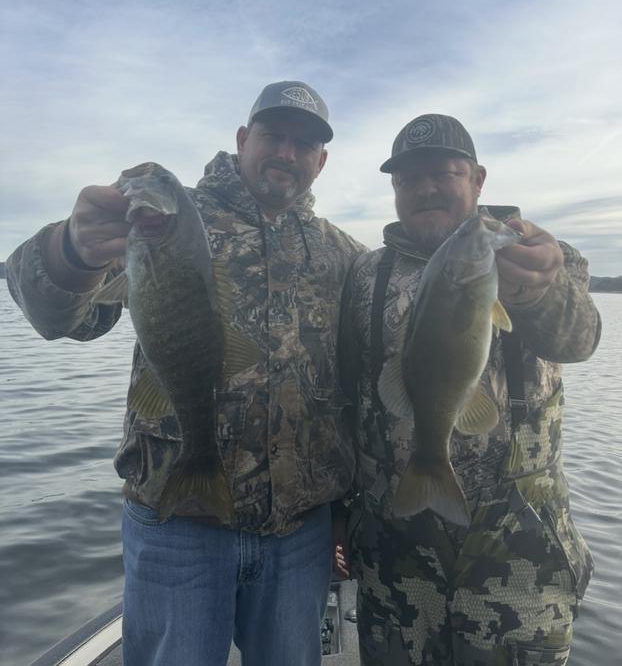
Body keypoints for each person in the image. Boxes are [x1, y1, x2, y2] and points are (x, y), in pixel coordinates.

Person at [7, 81, 364, 666]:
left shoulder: (343, 256)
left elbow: (359, 386)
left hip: (300, 534)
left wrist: (345, 512)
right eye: (273, 136)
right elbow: (63, 318)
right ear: (243, 140)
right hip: (177, 525)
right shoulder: (167, 221)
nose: (286, 153)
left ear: (320, 161)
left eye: (303, 144)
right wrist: (71, 251)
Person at [337, 114, 600, 666]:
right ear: (394, 190)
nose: (426, 188)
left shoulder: (540, 255)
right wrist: (338, 516)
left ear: (478, 180)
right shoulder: (362, 274)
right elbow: (346, 400)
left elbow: (579, 340)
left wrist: (536, 292)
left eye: (444, 173)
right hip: (396, 563)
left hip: (520, 566)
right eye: (409, 179)